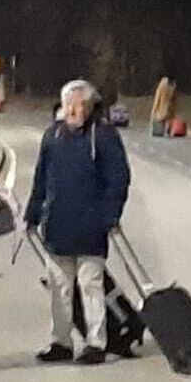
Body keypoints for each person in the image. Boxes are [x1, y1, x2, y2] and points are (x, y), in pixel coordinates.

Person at [25, 79, 133, 365]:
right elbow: (41, 178)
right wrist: (32, 213)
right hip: (57, 225)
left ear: (89, 106)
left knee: (90, 286)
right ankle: (61, 341)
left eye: (79, 104)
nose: (72, 110)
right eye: (68, 104)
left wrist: (110, 214)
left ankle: (96, 343)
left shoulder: (104, 135)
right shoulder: (53, 136)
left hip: (91, 227)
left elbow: (118, 178)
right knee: (59, 288)